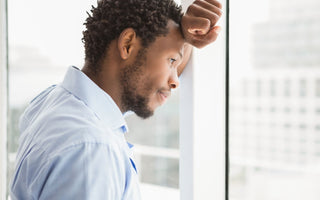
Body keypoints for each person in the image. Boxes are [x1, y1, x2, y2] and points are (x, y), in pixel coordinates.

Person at [10, 0, 222, 199]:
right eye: (172, 61)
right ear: (128, 44)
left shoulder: (55, 101)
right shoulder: (92, 149)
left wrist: (186, 37)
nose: (175, 81)